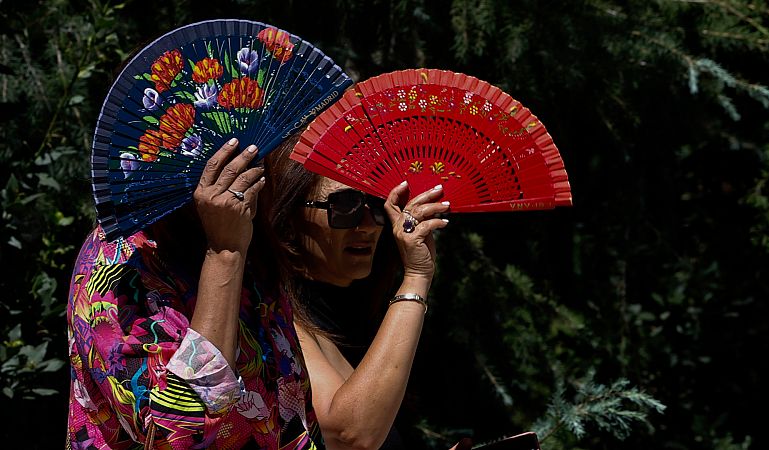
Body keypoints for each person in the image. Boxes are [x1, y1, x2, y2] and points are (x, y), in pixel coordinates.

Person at [67, 139, 324, 449]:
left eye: (254, 157)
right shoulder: (120, 260)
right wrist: (224, 254)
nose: (246, 175)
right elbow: (175, 434)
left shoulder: (249, 245)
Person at [263, 143, 469, 450]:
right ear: (289, 221)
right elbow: (350, 436)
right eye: (345, 206)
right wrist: (416, 279)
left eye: (376, 203)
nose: (370, 225)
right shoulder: (278, 319)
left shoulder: (366, 318)